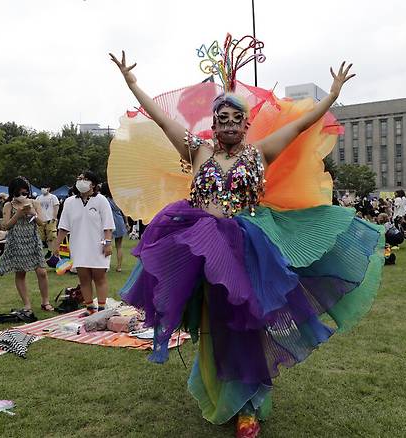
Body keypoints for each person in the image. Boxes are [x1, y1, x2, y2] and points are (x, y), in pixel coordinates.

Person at [110, 42, 382, 438]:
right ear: (214, 124)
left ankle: (249, 406)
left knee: (247, 324)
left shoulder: (259, 154)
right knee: (212, 323)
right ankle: (224, 390)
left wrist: (333, 96)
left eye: (236, 118)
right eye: (222, 118)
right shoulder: (197, 151)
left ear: (246, 123)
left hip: (247, 247)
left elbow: (300, 127)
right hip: (202, 248)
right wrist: (133, 84)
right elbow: (159, 118)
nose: (228, 124)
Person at [54, 171, 114, 315]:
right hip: (78, 245)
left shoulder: (101, 200)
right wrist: (56, 244)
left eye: (85, 179)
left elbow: (108, 225)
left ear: (93, 184)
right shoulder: (69, 202)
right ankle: (90, 308)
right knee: (84, 278)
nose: (81, 181)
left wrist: (107, 243)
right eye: (79, 178)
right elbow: (63, 226)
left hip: (98, 245)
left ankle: (101, 308)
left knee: (99, 277)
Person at [0, 177, 52, 313]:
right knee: (20, 273)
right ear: (13, 193)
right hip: (16, 240)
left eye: (25, 193)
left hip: (33, 239)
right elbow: (6, 226)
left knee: (42, 271)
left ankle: (45, 301)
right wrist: (19, 214)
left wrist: (32, 213)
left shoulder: (35, 203)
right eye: (18, 193)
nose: (22, 196)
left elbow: (42, 223)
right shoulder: (8, 205)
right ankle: (27, 304)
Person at [100, 182, 128, 272]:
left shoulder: (104, 199)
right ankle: (119, 267)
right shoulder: (118, 199)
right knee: (119, 246)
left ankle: (105, 266)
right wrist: (126, 223)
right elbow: (124, 212)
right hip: (119, 222)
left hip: (108, 223)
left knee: (107, 244)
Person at [36, 185, 60, 251]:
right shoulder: (38, 198)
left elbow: (56, 207)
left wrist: (54, 217)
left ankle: (52, 251)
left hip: (50, 220)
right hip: (41, 220)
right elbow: (36, 208)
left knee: (51, 236)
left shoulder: (53, 197)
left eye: (45, 187)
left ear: (49, 188)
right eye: (42, 187)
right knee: (40, 237)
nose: (43, 189)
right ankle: (42, 251)